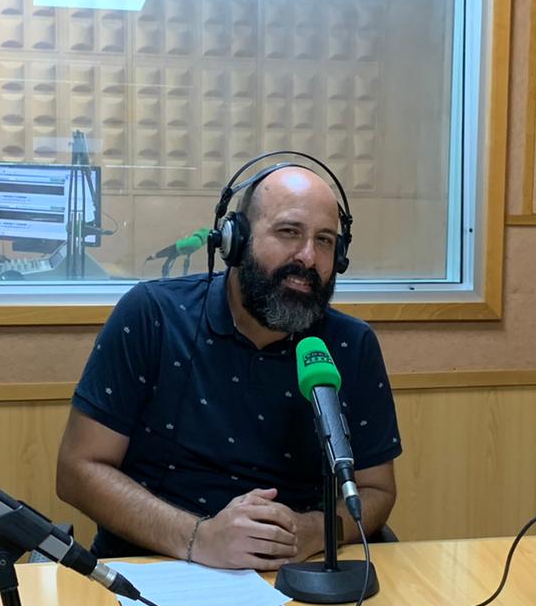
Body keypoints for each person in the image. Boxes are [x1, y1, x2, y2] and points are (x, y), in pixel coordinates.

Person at [58, 162, 401, 568]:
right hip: (155, 567)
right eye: (288, 232)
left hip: (297, 571)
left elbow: (376, 490)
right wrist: (199, 538)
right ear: (235, 240)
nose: (308, 257)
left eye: (325, 241)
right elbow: (78, 470)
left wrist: (312, 530)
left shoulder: (351, 344)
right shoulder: (152, 317)